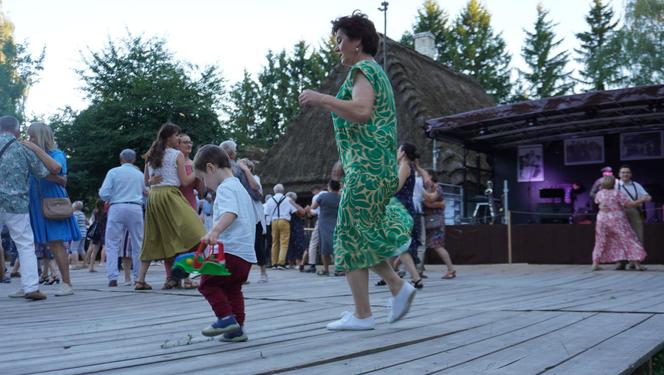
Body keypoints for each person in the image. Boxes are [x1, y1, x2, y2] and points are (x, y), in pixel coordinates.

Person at [299, 12, 415, 331]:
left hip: (366, 167)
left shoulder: (363, 69)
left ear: (357, 42)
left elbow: (362, 111)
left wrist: (322, 99)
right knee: (359, 234)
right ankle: (396, 288)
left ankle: (364, 314)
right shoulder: (375, 72)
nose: (337, 47)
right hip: (374, 167)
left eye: (340, 40)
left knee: (348, 236)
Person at [193, 144, 257, 343]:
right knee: (233, 289)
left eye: (203, 178)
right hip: (245, 253)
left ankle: (225, 319)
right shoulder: (240, 187)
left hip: (229, 249)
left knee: (207, 283)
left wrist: (215, 230)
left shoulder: (226, 188)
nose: (205, 184)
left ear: (211, 168)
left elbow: (231, 212)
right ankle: (237, 329)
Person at [136, 122, 205, 290]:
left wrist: (152, 181)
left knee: (153, 237)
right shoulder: (176, 154)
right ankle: (183, 275)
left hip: (154, 196)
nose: (178, 138)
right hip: (170, 196)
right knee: (195, 231)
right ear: (168, 137)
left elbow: (145, 181)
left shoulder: (151, 153)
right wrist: (196, 170)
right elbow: (185, 181)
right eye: (176, 136)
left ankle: (140, 280)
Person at [0, 116, 61, 300]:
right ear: (17, 131)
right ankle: (31, 288)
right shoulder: (22, 148)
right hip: (16, 203)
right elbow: (46, 172)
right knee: (25, 244)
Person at [26, 122, 81, 297]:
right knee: (29, 244)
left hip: (52, 201)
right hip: (34, 201)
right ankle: (30, 285)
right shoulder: (30, 154)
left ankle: (67, 283)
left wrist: (35, 150)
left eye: (33, 136)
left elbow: (58, 173)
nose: (30, 139)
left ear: (41, 137)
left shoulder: (57, 154)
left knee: (56, 243)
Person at [220, 141, 267, 283]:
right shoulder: (235, 169)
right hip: (244, 209)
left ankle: (236, 272)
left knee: (236, 240)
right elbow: (257, 193)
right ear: (231, 153)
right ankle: (247, 273)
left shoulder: (221, 168)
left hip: (230, 208)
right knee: (251, 240)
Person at [98, 149, 146, 287]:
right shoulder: (139, 174)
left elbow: (103, 193)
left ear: (121, 159)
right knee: (138, 243)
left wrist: (112, 198)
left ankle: (112, 277)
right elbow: (145, 192)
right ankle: (138, 276)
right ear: (134, 160)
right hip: (135, 207)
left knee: (112, 243)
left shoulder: (113, 172)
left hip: (117, 207)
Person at [592, 176, 647, 271]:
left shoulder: (599, 194)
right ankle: (637, 264)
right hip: (617, 219)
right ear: (614, 183)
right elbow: (630, 205)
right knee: (628, 239)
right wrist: (643, 199)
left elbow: (597, 202)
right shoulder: (617, 193)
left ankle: (595, 264)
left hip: (602, 219)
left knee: (600, 240)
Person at [423, 173, 456, 279]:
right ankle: (417, 270)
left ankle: (451, 269)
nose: (425, 180)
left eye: (427, 178)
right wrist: (439, 204)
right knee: (423, 246)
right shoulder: (430, 188)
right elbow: (430, 203)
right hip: (431, 222)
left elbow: (429, 202)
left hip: (435, 223)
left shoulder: (437, 188)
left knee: (438, 246)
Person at [264, 184, 304, 269]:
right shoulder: (288, 199)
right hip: (284, 221)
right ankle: (281, 263)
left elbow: (266, 212)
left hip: (274, 221)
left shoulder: (270, 200)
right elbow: (294, 211)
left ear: (274, 191)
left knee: (275, 242)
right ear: (283, 190)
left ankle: (274, 263)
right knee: (284, 243)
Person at [309, 180, 341, 276]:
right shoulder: (341, 197)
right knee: (337, 245)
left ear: (330, 187)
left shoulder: (322, 196)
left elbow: (313, 207)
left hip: (324, 223)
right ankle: (338, 269)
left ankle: (326, 269)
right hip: (337, 222)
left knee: (324, 246)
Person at [302, 186, 325, 273]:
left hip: (322, 220)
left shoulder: (317, 197)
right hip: (335, 220)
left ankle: (312, 265)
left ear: (316, 190)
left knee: (313, 242)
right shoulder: (335, 195)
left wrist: (308, 210)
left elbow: (313, 212)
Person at [285, 192, 307, 269]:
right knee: (291, 243)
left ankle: (297, 262)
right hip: (292, 226)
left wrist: (293, 203)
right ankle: (292, 263)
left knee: (297, 243)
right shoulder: (286, 205)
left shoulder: (293, 205)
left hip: (294, 226)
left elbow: (302, 213)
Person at [85, 199, 106, 272]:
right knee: (105, 247)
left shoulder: (95, 212)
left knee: (94, 250)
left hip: (96, 231)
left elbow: (92, 221)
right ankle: (103, 262)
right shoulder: (105, 213)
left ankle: (91, 267)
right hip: (103, 231)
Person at [68, 201, 87, 268]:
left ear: (74, 207)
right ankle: (85, 263)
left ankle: (76, 264)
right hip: (84, 233)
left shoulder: (75, 214)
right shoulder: (82, 214)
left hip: (77, 233)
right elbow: (86, 222)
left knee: (73, 248)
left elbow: (74, 223)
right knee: (81, 248)